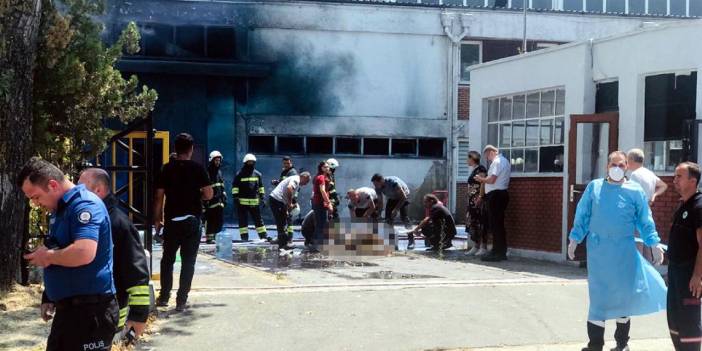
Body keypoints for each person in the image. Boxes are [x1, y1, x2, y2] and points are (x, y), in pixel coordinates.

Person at [568, 151, 667, 351]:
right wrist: (574, 238)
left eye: (621, 165)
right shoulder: (594, 187)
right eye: (613, 164)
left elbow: (644, 219)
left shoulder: (634, 190)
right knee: (599, 297)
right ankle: (595, 344)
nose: (617, 168)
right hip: (599, 251)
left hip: (624, 251)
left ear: (627, 167)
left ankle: (622, 344)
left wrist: (653, 242)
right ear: (607, 166)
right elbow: (583, 214)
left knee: (623, 297)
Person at [18, 157, 118, 350]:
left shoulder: (84, 205)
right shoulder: (60, 210)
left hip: (91, 313)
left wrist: (46, 257)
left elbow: (83, 252)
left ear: (53, 185)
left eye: (36, 197)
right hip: (70, 312)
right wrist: (49, 296)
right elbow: (59, 251)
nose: (36, 204)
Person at [78, 168, 150, 340]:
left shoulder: (118, 223)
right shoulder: (86, 219)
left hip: (109, 316)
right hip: (86, 313)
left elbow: (136, 270)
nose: (77, 194)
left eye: (82, 188)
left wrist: (139, 315)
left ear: (99, 191)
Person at [154, 133, 213, 311]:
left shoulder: (166, 169)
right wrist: (198, 195)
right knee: (188, 262)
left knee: (167, 260)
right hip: (192, 221)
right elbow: (209, 194)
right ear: (191, 149)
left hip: (172, 221)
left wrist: (158, 220)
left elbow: (158, 197)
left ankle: (164, 296)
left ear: (175, 148)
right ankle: (181, 300)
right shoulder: (198, 168)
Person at [667, 161, 702, 351]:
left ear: (693, 180)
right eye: (674, 176)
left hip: (689, 275)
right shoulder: (683, 205)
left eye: (679, 177)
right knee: (674, 319)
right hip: (675, 272)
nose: (674, 181)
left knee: (689, 320)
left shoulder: (699, 206)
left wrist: (697, 276)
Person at [475, 145, 511, 262]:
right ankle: (500, 251)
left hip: (496, 195)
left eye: (487, 155)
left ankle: (497, 252)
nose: (487, 158)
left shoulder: (497, 161)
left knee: (496, 225)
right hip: (500, 194)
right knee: (498, 224)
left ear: (491, 152)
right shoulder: (504, 161)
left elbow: (492, 180)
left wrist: (481, 180)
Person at [269, 172, 311, 250]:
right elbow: (289, 188)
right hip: (277, 200)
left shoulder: (295, 180)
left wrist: (287, 208)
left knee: (283, 219)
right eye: (307, 181)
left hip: (279, 201)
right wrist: (290, 204)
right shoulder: (296, 180)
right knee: (281, 221)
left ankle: (281, 239)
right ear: (304, 177)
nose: (306, 184)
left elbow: (286, 194)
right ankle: (283, 244)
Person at [232, 153, 268, 242]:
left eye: (252, 162)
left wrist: (262, 197)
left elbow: (261, 187)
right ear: (245, 163)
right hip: (242, 203)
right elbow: (235, 187)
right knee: (243, 221)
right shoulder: (239, 174)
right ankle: (244, 238)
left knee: (258, 221)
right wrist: (235, 198)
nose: (251, 164)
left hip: (254, 203)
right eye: (249, 162)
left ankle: (263, 236)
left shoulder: (258, 174)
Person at [465, 151, 489, 256]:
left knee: (481, 222)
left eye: (468, 158)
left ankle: (483, 247)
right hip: (471, 201)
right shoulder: (473, 170)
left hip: (478, 200)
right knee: (473, 222)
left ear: (472, 159)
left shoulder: (481, 169)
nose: (467, 160)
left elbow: (483, 182)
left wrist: (480, 196)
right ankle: (476, 246)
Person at [271, 156, 299, 241]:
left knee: (288, 217)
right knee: (284, 217)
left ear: (291, 163)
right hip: (284, 197)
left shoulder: (292, 172)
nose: (286, 165)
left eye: (288, 163)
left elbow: (293, 187)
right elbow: (283, 183)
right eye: (284, 163)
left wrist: (293, 199)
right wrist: (277, 182)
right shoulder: (284, 172)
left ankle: (289, 236)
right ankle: (285, 235)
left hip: (289, 198)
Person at [310, 161, 334, 252]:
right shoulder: (321, 177)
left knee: (321, 224)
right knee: (323, 224)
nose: (327, 168)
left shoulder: (323, 177)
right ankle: (320, 245)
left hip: (319, 203)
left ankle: (316, 244)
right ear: (321, 168)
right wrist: (329, 203)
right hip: (320, 203)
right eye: (325, 167)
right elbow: (322, 191)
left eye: (328, 167)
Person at [204, 150, 227, 244]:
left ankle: (216, 237)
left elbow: (221, 186)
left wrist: (224, 197)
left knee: (219, 220)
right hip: (211, 201)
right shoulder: (207, 172)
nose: (217, 162)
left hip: (219, 200)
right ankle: (209, 238)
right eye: (216, 160)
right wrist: (205, 201)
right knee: (210, 220)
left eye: (219, 160)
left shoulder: (219, 172)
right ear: (211, 160)